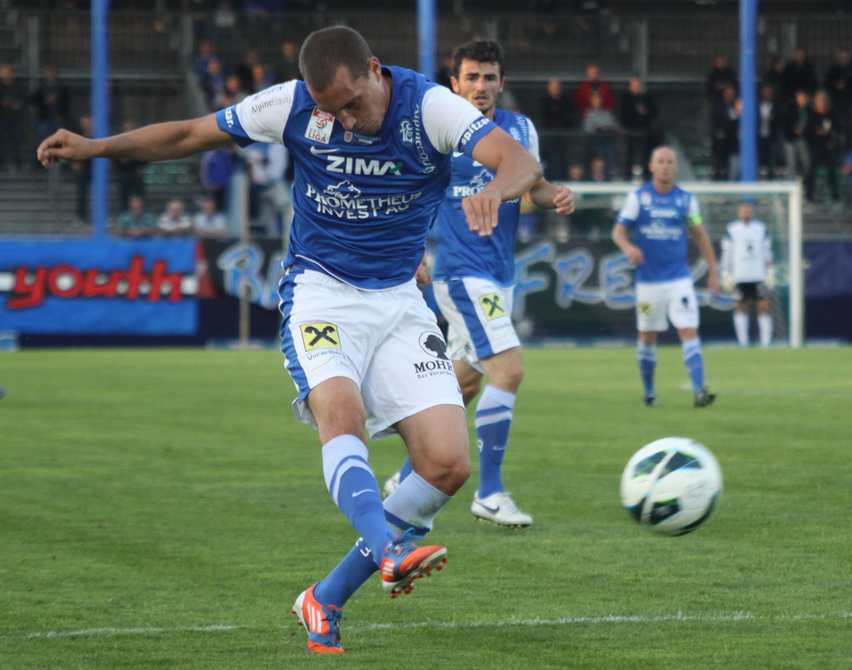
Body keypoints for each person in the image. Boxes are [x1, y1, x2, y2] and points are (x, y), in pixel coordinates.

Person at [37, 25, 542, 655]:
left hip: (398, 300)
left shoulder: (431, 107)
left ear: (374, 69)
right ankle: (387, 546)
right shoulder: (292, 105)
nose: (345, 121)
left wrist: (494, 190)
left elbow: (520, 161)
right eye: (332, 110)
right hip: (320, 293)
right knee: (341, 414)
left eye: (352, 103)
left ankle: (325, 597)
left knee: (446, 464)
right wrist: (96, 147)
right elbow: (189, 134)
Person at [384, 39, 575, 528]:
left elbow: (535, 188)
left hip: (500, 275)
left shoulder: (519, 129)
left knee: (464, 384)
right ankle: (489, 493)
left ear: (502, 83)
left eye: (489, 77)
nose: (480, 86)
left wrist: (557, 196)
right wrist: (411, 252)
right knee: (508, 371)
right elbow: (406, 194)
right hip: (461, 273)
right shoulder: (438, 130)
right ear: (455, 83)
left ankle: (405, 479)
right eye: (471, 77)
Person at [611, 146, 719, 409]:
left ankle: (699, 391)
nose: (666, 166)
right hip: (648, 282)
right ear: (651, 166)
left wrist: (714, 272)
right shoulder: (639, 198)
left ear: (676, 167)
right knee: (647, 336)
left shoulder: (686, 200)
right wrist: (628, 248)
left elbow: (700, 234)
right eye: (660, 161)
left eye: (670, 161)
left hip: (679, 278)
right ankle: (649, 393)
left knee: (688, 329)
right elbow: (618, 231)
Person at [719, 201, 775, 348]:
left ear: (752, 212)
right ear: (739, 213)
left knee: (764, 306)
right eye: (743, 211)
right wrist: (725, 272)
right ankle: (743, 342)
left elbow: (767, 251)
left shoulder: (760, 228)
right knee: (740, 306)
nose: (746, 213)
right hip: (739, 275)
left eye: (748, 211)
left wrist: (770, 270)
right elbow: (727, 252)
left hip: (759, 275)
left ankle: (765, 343)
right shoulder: (732, 229)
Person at [619, 76, 660, 179]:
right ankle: (627, 176)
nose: (636, 87)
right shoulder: (626, 99)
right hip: (631, 130)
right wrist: (624, 127)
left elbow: (654, 113)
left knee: (646, 154)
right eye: (634, 85)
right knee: (630, 154)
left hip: (645, 131)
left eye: (637, 85)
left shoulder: (647, 98)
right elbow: (622, 114)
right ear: (630, 86)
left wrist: (645, 112)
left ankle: (646, 176)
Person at [0, 63, 26, 172]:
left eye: (8, 72)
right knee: (2, 143)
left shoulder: (17, 87)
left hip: (15, 119)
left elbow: (23, 100)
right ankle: (2, 165)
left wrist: (18, 104)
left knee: (16, 143)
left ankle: (18, 164)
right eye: (3, 72)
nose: (6, 74)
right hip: (2, 119)